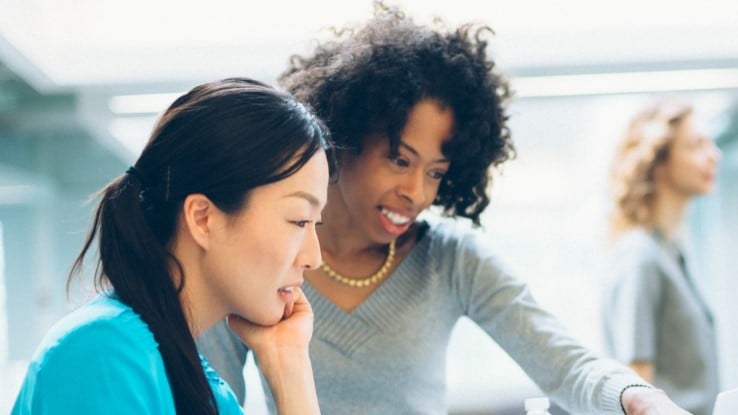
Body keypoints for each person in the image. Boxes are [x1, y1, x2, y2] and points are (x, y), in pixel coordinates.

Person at [198, 5, 692, 414]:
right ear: (343, 140)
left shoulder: (453, 262)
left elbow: (566, 365)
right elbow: (210, 400)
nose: (416, 191)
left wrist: (640, 399)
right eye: (399, 159)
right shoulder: (266, 260)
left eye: (435, 172)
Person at [11, 77, 330, 415]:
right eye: (299, 221)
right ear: (203, 218)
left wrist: (289, 366)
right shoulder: (105, 354)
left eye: (316, 224)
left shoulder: (204, 389)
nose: (314, 258)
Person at [602, 101, 722, 415]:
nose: (713, 155)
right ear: (658, 161)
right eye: (696, 146)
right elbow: (638, 385)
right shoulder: (639, 256)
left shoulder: (672, 252)